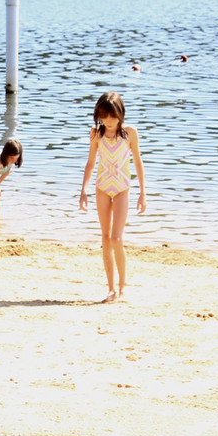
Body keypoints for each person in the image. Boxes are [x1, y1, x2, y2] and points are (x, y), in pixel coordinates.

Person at [79, 92, 146, 303]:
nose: (109, 120)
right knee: (105, 238)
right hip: (101, 188)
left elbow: (138, 162)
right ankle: (111, 289)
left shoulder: (129, 133)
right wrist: (84, 190)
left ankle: (122, 287)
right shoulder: (95, 134)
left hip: (122, 189)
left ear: (120, 114)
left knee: (117, 238)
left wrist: (143, 193)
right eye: (105, 116)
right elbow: (91, 163)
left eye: (113, 116)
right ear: (99, 114)